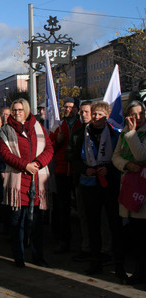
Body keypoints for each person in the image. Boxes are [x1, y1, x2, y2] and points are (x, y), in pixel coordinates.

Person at [67, 101, 125, 282]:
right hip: (88, 183)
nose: (97, 118)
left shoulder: (115, 135)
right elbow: (74, 158)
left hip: (109, 184)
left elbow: (122, 157)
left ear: (107, 116)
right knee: (92, 224)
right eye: (94, 114)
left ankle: (119, 265)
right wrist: (85, 169)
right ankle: (95, 261)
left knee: (114, 224)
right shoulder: (81, 134)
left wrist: (110, 169)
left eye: (101, 115)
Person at [0, 98, 54, 268]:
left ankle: (38, 256)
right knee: (17, 222)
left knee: (37, 223)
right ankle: (19, 256)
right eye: (14, 110)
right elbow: (5, 153)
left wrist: (37, 164)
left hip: (36, 180)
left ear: (27, 110)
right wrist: (25, 165)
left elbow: (49, 149)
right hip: (18, 181)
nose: (17, 113)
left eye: (20, 109)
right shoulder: (6, 130)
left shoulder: (38, 127)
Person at [112, 100, 146, 285]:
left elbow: (141, 155)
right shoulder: (124, 133)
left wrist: (132, 133)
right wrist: (126, 165)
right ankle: (137, 271)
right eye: (133, 115)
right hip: (128, 187)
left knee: (142, 234)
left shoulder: (133, 132)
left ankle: (141, 272)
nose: (137, 118)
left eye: (140, 114)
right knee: (134, 233)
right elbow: (115, 156)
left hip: (142, 191)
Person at [50, 98, 82, 254]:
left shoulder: (82, 125)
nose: (68, 109)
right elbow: (50, 149)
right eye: (66, 107)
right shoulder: (58, 126)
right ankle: (63, 240)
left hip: (78, 171)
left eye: (72, 107)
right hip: (62, 170)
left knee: (81, 208)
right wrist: (58, 141)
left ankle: (83, 242)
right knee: (62, 208)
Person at [66, 100, 93, 262]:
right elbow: (69, 155)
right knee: (83, 215)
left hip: (101, 181)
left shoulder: (107, 132)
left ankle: (104, 249)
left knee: (101, 217)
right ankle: (86, 246)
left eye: (87, 112)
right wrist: (83, 168)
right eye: (82, 112)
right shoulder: (77, 133)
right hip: (82, 179)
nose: (83, 115)